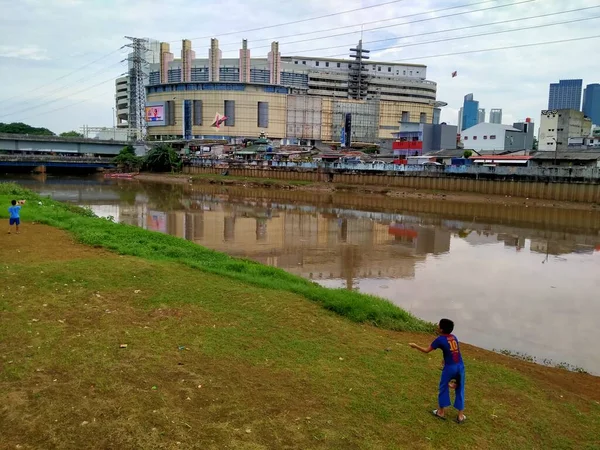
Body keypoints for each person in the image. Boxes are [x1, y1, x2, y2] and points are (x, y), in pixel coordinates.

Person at [409, 318, 466, 423]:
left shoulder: (439, 339)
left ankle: (441, 412)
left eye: (439, 325)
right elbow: (453, 351)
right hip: (460, 366)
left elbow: (426, 351)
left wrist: (415, 346)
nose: (437, 326)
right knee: (460, 389)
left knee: (443, 387)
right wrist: (445, 359)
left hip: (449, 368)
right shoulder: (454, 337)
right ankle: (460, 416)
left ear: (441, 329)